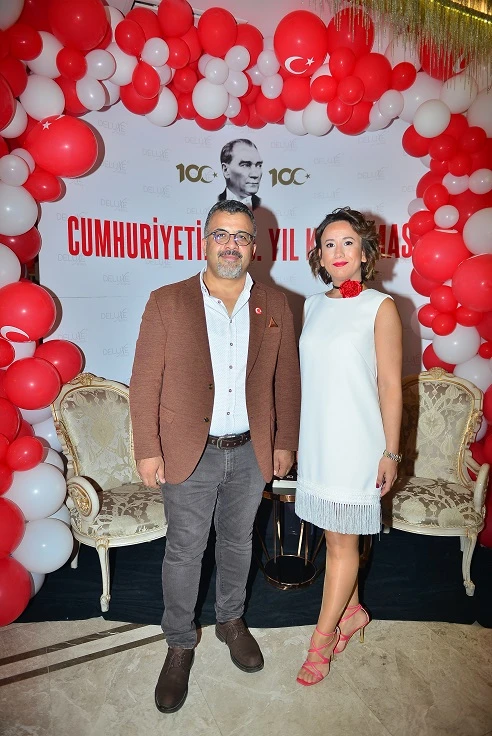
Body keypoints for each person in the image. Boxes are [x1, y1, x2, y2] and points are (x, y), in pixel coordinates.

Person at [129, 199, 300, 713]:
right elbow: (145, 382)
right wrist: (147, 449)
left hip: (250, 450)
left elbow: (287, 381)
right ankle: (180, 642)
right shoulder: (166, 301)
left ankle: (230, 620)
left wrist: (285, 442)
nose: (231, 245)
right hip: (189, 452)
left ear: (254, 246)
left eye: (241, 236)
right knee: (184, 551)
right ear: (204, 241)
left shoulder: (275, 303)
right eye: (221, 234)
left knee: (238, 542)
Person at [295, 207, 402, 687]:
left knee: (342, 543)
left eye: (347, 242)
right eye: (329, 244)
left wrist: (391, 452)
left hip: (358, 441)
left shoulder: (380, 307)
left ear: (364, 253)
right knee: (334, 534)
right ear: (319, 256)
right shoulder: (312, 306)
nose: (337, 252)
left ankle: (319, 644)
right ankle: (353, 611)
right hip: (319, 440)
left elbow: (389, 386)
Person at [218, 139, 263, 210]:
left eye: (259, 165)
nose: (255, 175)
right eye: (245, 165)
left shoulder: (265, 207)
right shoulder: (213, 203)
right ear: (226, 170)